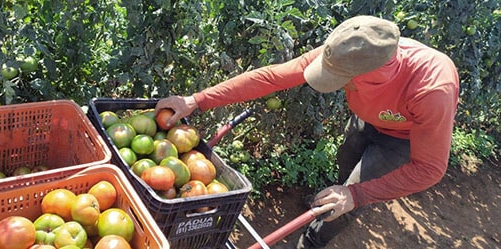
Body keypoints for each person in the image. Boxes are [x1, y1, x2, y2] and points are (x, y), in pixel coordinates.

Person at [154, 15, 459, 248]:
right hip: (368, 121)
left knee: (348, 198)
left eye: (340, 80)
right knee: (346, 163)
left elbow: (429, 168)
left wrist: (356, 194)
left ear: (373, 74)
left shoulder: (431, 88)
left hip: (403, 141)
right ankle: (334, 194)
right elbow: (272, 78)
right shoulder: (350, 50)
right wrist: (197, 100)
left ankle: (311, 241)